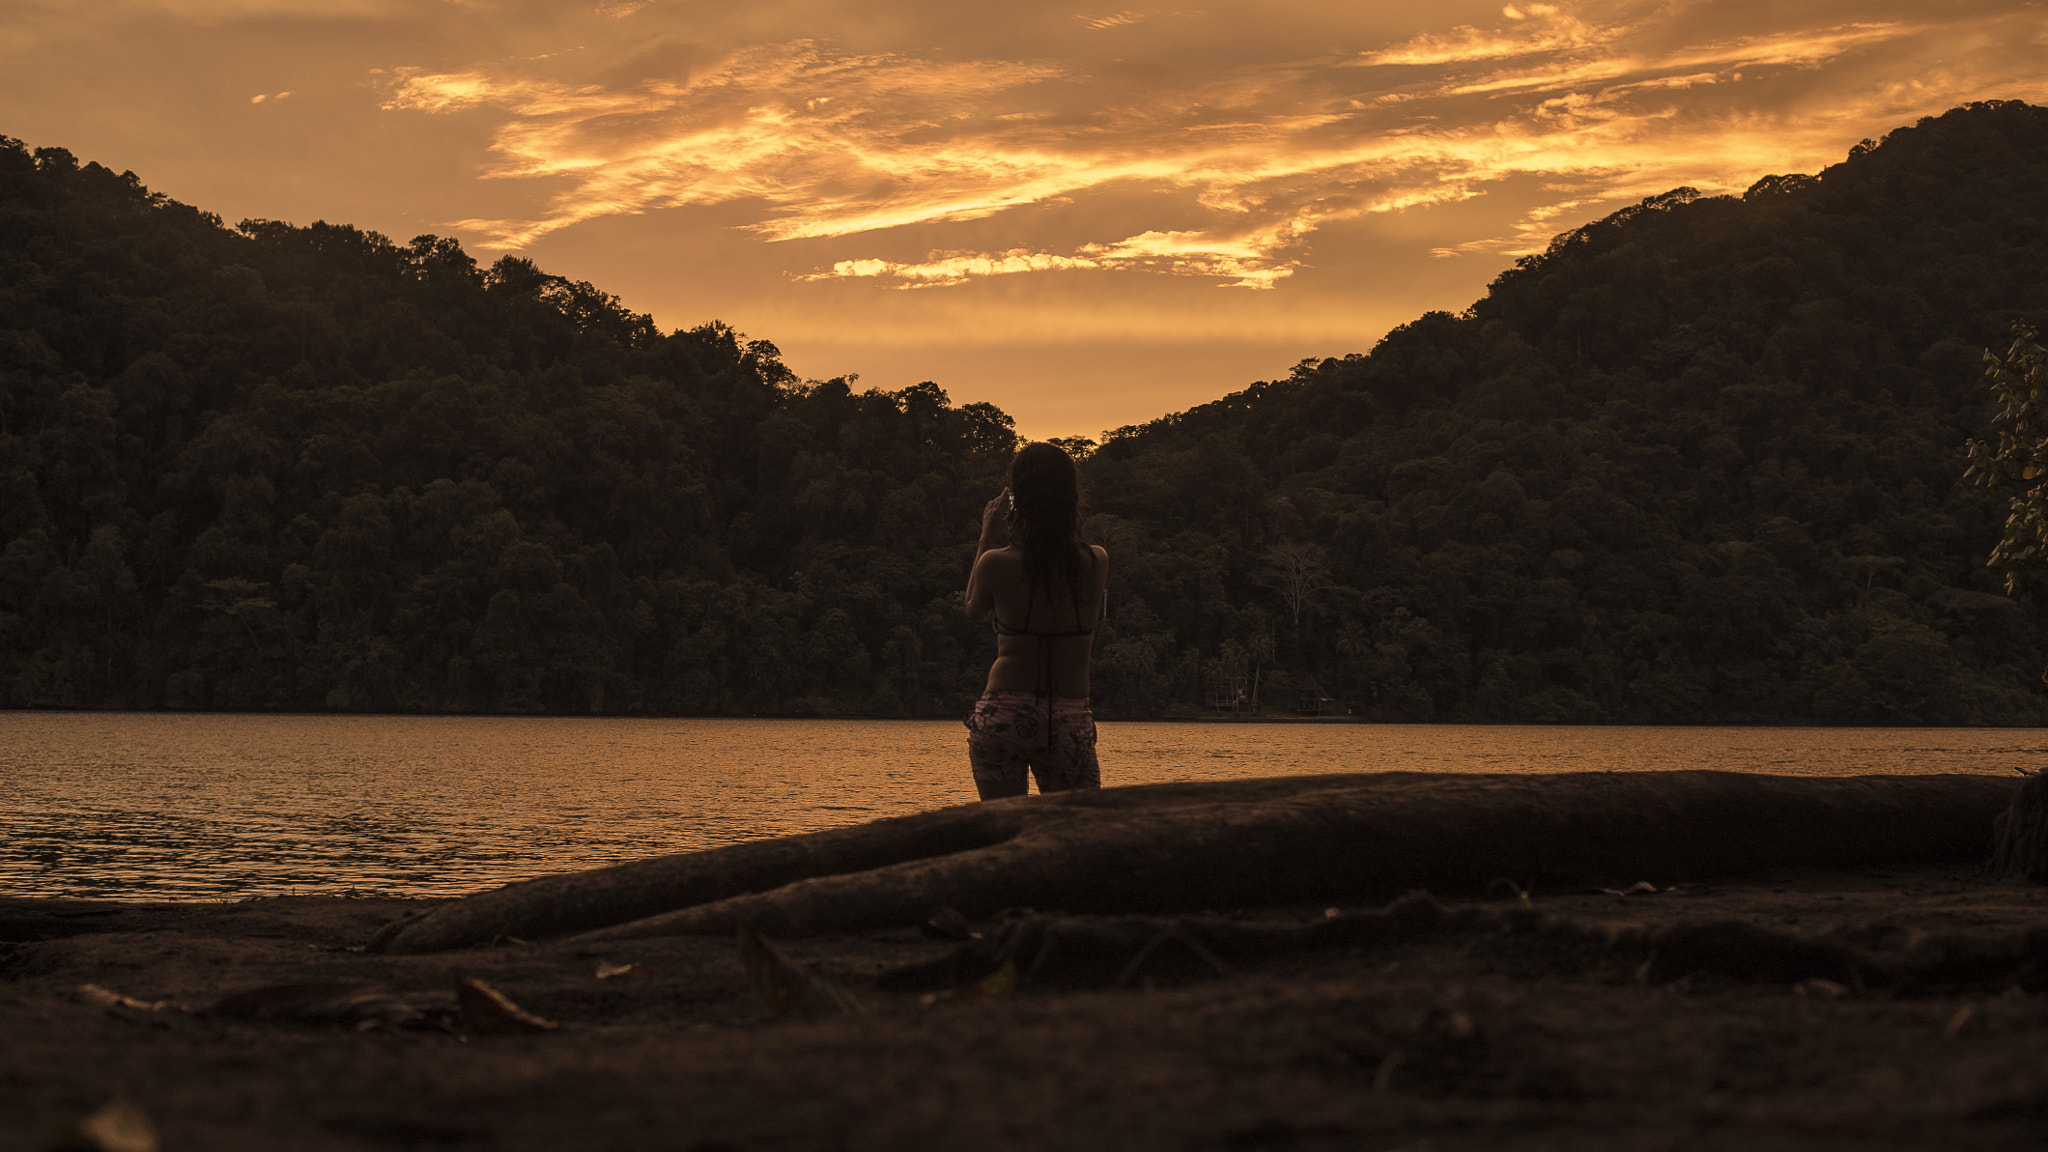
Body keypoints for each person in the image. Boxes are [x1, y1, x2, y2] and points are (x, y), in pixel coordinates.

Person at [962, 442, 1110, 800]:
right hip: (1067, 716)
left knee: (1003, 831)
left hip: (1003, 715)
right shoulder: (1095, 561)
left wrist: (987, 536)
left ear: (1019, 501)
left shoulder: (997, 562)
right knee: (1075, 836)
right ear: (1071, 498)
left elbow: (974, 611)